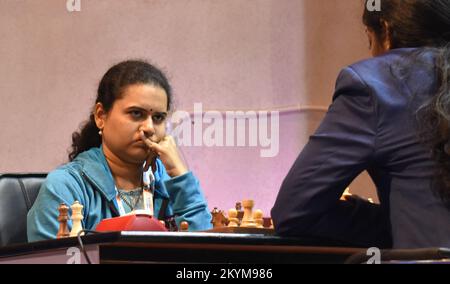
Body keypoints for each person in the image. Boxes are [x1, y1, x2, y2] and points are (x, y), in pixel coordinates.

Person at [271, 0, 450, 249]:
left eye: (370, 40)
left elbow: (295, 209)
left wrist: (393, 221)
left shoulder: (374, 85)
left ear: (385, 31)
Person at [27, 60, 212, 242]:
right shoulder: (66, 187)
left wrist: (180, 175)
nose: (149, 127)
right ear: (100, 116)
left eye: (158, 117)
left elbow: (208, 258)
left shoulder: (169, 183)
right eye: (136, 113)